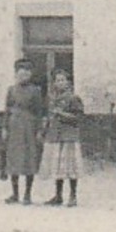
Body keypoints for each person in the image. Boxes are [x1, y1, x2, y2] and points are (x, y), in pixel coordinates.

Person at [1, 60, 44, 204]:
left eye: (26, 72)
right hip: (14, 127)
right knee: (13, 159)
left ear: (30, 75)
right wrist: (4, 127)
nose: (23, 75)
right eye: (20, 72)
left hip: (29, 127)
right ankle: (15, 194)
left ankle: (27, 194)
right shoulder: (11, 90)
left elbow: (39, 112)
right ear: (16, 74)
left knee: (28, 159)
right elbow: (7, 110)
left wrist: (39, 130)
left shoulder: (35, 91)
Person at [40, 68, 84, 207]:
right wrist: (45, 129)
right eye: (57, 80)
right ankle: (58, 195)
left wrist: (62, 114)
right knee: (58, 166)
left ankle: (73, 196)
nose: (60, 83)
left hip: (69, 135)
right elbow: (49, 116)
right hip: (55, 135)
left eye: (62, 80)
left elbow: (78, 117)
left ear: (68, 82)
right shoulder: (52, 99)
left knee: (70, 167)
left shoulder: (73, 98)